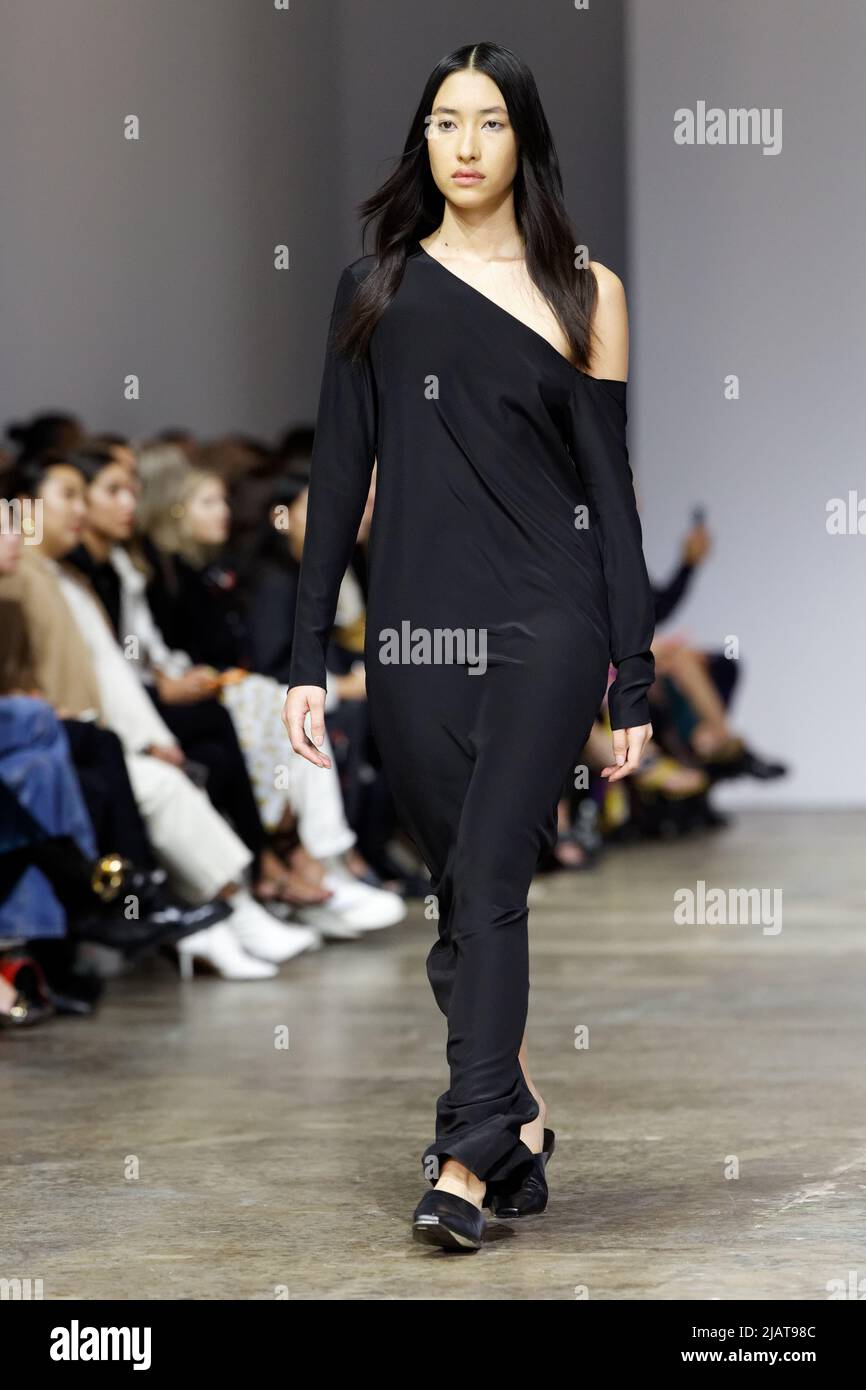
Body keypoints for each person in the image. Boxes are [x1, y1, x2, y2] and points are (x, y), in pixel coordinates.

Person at [282, 42, 656, 1250]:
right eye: (444, 120)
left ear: (521, 140)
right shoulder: (372, 287)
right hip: (413, 624)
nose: (462, 142)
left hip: (548, 615)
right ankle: (520, 1123)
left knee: (491, 875)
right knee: (460, 890)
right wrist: (301, 657)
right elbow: (337, 483)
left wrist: (632, 666)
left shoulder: (582, 291)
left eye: (487, 122)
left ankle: (462, 1159)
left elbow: (612, 487)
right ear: (423, 139)